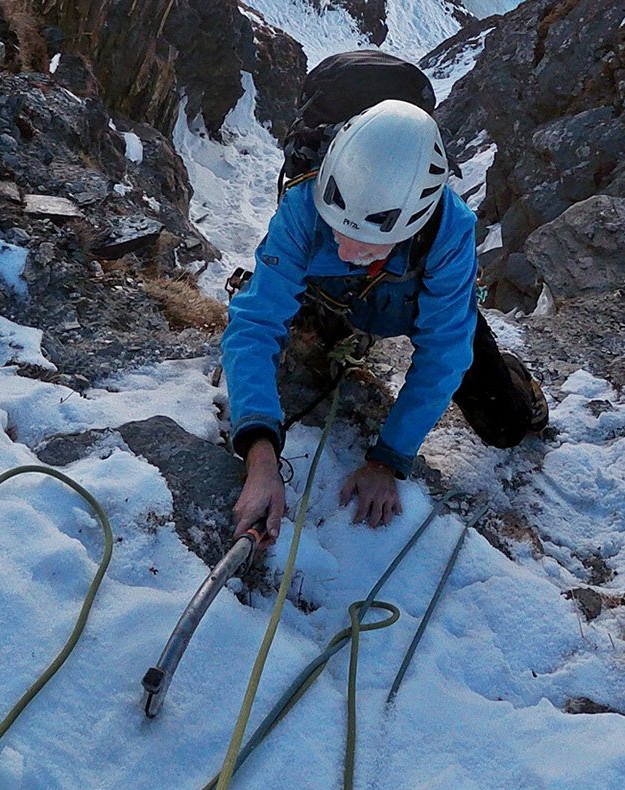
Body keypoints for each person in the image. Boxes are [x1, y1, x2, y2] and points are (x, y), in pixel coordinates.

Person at [220, 95, 548, 544]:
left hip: (405, 306)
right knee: (305, 351)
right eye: (338, 230)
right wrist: (260, 457)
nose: (345, 251)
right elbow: (256, 325)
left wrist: (388, 459)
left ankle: (514, 378)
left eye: (369, 244)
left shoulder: (449, 230)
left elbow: (442, 353)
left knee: (507, 429)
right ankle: (342, 329)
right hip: (330, 297)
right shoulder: (302, 205)